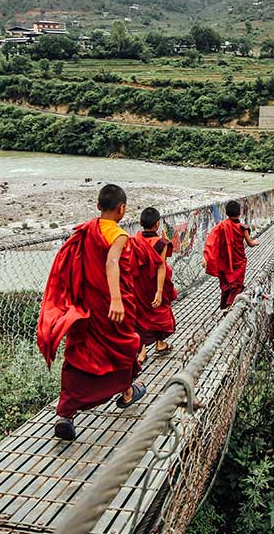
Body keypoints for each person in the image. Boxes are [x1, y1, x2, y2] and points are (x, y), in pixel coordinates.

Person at [37, 184, 147, 441]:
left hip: (87, 307)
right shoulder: (119, 235)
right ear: (122, 209)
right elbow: (111, 262)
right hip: (112, 307)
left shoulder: (87, 231)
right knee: (124, 346)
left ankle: (66, 414)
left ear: (98, 206)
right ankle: (127, 392)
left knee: (79, 355)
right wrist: (117, 299)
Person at [129, 207, 177, 364]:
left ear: (140, 223)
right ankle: (159, 344)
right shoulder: (161, 243)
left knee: (141, 317)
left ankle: (145, 351)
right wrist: (159, 291)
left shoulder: (134, 241)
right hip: (155, 284)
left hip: (138, 285)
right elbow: (161, 267)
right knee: (161, 312)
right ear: (157, 224)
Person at [203, 200, 259, 309]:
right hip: (239, 262)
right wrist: (256, 242)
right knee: (236, 285)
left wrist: (206, 256)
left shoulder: (222, 226)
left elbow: (211, 241)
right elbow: (250, 243)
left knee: (226, 286)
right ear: (240, 212)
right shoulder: (243, 228)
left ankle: (224, 305)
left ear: (226, 213)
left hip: (225, 263)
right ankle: (231, 305)